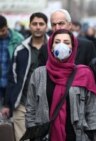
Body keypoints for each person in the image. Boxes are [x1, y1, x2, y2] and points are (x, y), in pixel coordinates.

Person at [25, 29, 96, 141]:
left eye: (66, 43)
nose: (61, 45)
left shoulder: (84, 74)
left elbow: (92, 111)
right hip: (45, 137)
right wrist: (33, 133)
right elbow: (31, 108)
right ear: (51, 47)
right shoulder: (38, 74)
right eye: (57, 42)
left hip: (77, 136)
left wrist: (93, 136)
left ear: (73, 47)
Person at [1, 12, 49, 141]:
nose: (38, 27)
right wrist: (6, 104)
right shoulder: (20, 49)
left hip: (46, 106)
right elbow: (12, 77)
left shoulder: (53, 48)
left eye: (41, 24)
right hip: (22, 105)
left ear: (46, 26)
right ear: (30, 26)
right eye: (34, 24)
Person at [0, 15, 24, 107]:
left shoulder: (18, 39)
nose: (0, 33)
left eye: (2, 30)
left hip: (12, 82)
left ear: (7, 26)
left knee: (10, 112)